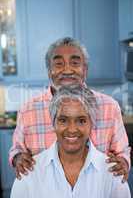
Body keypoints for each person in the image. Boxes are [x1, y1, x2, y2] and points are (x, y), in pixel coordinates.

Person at [9, 37, 130, 181]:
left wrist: (123, 162)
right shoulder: (28, 110)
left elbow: (122, 152)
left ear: (85, 70)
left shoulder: (110, 107)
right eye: (59, 63)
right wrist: (18, 158)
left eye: (75, 63)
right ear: (49, 71)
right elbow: (16, 150)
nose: (67, 69)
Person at [10, 85, 131, 198]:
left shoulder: (113, 173)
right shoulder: (29, 173)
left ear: (91, 124)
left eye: (81, 120)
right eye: (63, 120)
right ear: (53, 124)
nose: (72, 129)